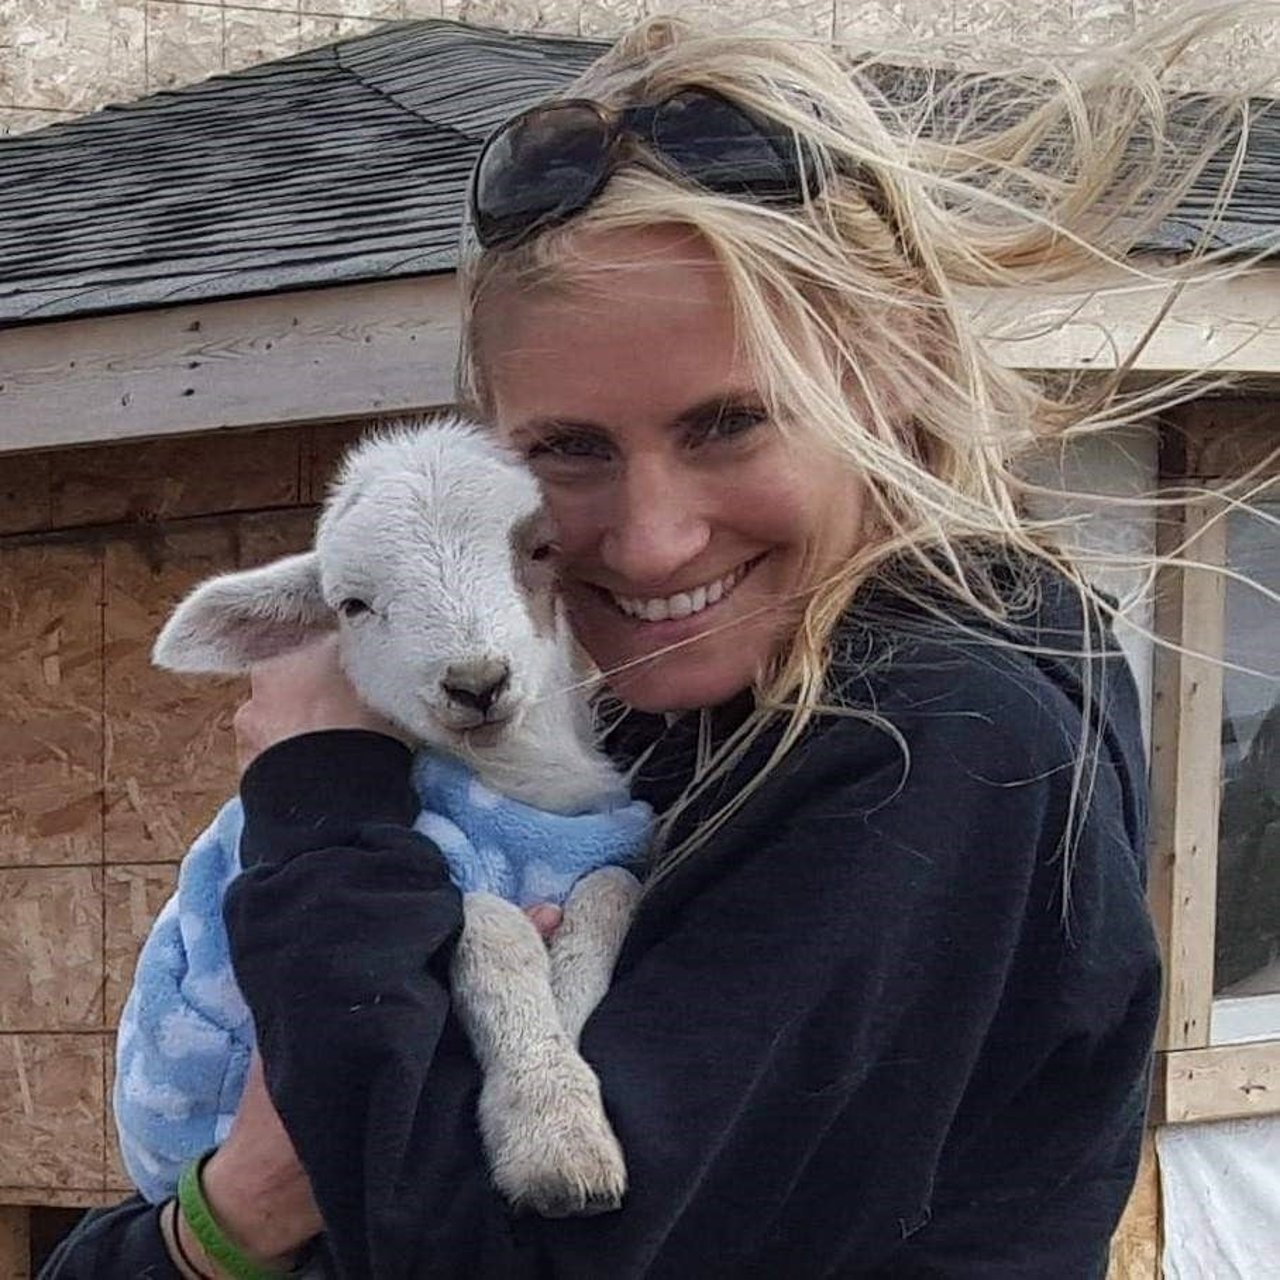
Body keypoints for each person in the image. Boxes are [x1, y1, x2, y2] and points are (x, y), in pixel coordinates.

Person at [42, 11, 1259, 1278]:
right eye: (570, 449)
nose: (654, 538)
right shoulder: (651, 712)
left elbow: (486, 1247)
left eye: (729, 423)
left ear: (887, 371)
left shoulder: (932, 740)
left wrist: (319, 790)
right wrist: (214, 1223)